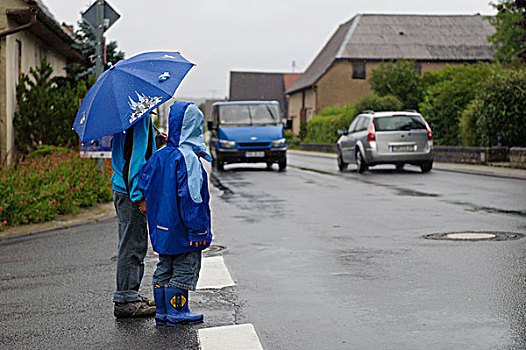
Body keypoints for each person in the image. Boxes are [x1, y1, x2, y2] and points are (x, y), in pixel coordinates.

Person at [138, 101, 212, 326]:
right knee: (185, 268)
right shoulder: (188, 159)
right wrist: (198, 230)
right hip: (183, 230)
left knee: (164, 266)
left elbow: (144, 182)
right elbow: (192, 198)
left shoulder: (160, 156)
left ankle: (162, 311)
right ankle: (177, 311)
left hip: (161, 227)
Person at [111, 112, 159, 318]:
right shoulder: (138, 117)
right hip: (131, 191)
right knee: (133, 244)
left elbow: (129, 150)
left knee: (131, 242)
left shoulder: (126, 116)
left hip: (122, 187)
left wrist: (155, 140)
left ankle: (130, 294)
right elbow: (134, 160)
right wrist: (139, 196)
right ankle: (126, 299)